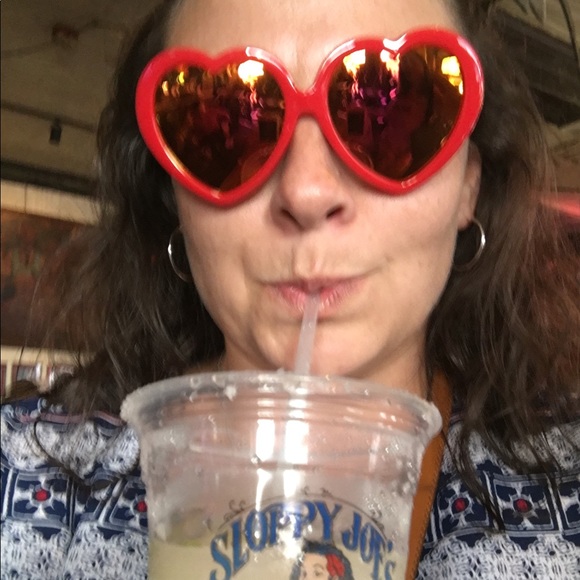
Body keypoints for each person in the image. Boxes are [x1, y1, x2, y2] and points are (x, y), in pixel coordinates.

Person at [1, 0, 578, 578]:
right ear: (175, 200)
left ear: (468, 187)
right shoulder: (24, 481)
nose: (306, 192)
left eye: (389, 115)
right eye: (227, 124)